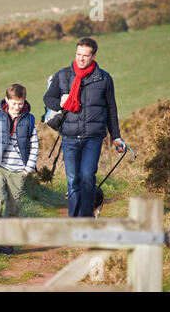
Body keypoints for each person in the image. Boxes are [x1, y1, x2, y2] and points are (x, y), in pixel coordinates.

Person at [43, 37, 125, 218]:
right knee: (73, 181)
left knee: (87, 177)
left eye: (85, 55)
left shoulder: (104, 78)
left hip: (93, 138)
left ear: (93, 56)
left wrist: (116, 136)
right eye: (78, 54)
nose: (81, 58)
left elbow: (111, 109)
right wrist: (60, 103)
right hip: (69, 137)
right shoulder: (63, 75)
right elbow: (48, 99)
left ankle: (86, 220)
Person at [0, 83, 39, 254]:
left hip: (18, 171)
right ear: (7, 101)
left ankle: (7, 242)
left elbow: (34, 146)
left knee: (14, 207)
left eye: (20, 104)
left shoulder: (29, 120)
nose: (17, 107)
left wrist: (28, 168)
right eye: (14, 104)